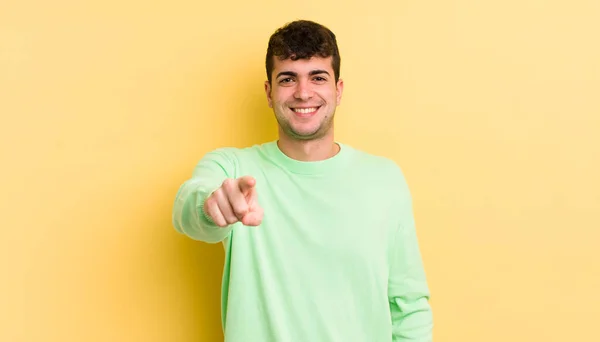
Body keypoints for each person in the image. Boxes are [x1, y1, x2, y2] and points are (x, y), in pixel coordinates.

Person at [172, 19, 433, 342]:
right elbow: (188, 207)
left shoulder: (385, 178)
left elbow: (408, 306)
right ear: (269, 92)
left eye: (318, 77)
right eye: (288, 79)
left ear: (338, 90)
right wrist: (211, 207)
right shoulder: (232, 168)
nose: (303, 92)